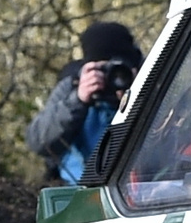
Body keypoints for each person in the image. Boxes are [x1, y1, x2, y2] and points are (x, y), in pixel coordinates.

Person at [27, 21, 144, 184]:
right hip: (80, 189)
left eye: (120, 70)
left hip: (141, 186)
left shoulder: (151, 83)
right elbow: (38, 141)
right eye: (104, 69)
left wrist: (137, 99)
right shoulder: (72, 87)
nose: (113, 77)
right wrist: (78, 100)